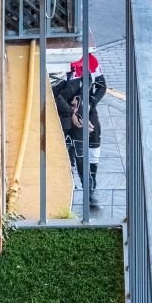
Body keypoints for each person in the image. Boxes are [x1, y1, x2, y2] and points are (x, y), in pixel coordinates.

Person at [51, 54, 108, 211]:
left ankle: (90, 189)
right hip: (60, 114)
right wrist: (71, 112)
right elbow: (53, 94)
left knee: (87, 147)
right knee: (66, 151)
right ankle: (66, 188)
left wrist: (87, 106)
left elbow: (99, 86)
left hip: (84, 110)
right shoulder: (57, 61)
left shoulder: (90, 60)